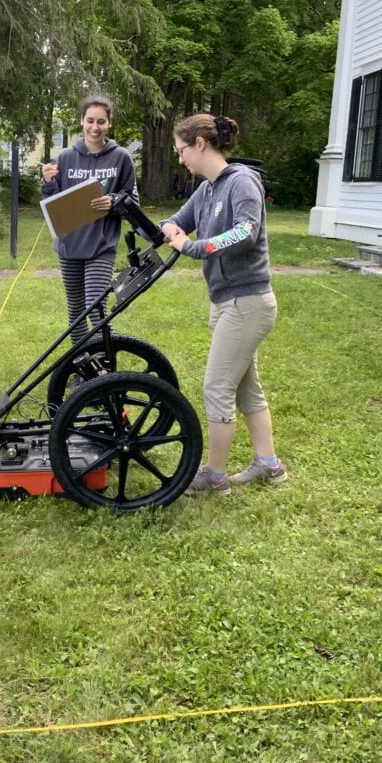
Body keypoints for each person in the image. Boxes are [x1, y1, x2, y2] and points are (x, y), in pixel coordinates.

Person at [161, 114, 287, 495]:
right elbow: (175, 220)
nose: (181, 159)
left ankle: (214, 476)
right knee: (247, 386)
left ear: (200, 144)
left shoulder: (242, 182)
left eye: (182, 151)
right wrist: (170, 227)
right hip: (225, 301)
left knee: (217, 386)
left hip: (248, 302)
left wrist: (191, 246)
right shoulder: (206, 190)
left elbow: (245, 234)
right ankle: (268, 463)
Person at [41, 92, 138, 346]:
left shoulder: (121, 158)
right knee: (76, 312)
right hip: (69, 245)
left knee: (95, 308)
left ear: (109, 124)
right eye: (90, 121)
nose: (95, 127)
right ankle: (83, 370)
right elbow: (53, 202)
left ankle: (107, 365)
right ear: (81, 121)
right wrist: (48, 181)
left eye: (101, 122)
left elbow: (132, 201)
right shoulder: (65, 158)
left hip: (100, 247)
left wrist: (113, 201)